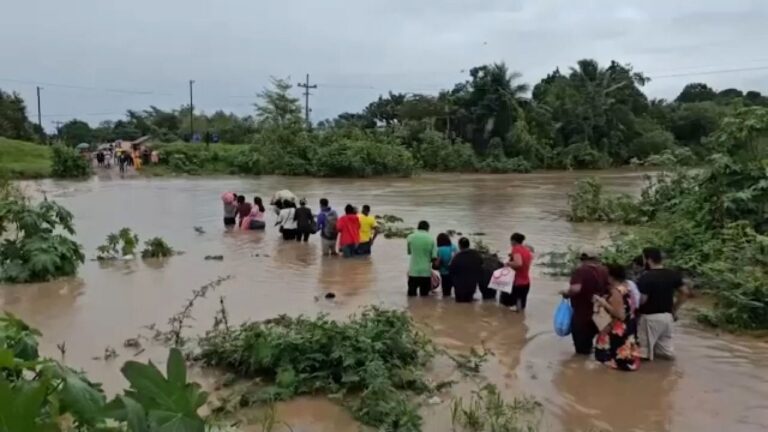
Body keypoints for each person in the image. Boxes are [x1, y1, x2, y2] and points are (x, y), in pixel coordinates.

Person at [636, 247, 689, 361]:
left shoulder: (646, 277)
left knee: (643, 355)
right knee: (666, 355)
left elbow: (642, 300)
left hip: (650, 319)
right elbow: (685, 293)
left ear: (648, 260)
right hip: (667, 318)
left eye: (644, 258)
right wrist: (674, 309)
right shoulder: (673, 274)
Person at [561, 249, 610, 355]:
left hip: (582, 313)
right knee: (597, 343)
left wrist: (565, 293)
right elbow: (609, 289)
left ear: (583, 259)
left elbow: (576, 289)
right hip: (599, 314)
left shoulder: (580, 271)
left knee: (581, 349)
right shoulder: (604, 270)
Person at [594, 264, 641, 371]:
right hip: (629, 326)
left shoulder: (616, 291)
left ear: (611, 277)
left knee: (613, 362)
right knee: (626, 362)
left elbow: (620, 315)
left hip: (618, 329)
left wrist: (604, 303)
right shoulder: (627, 287)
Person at [502, 233, 534, 312]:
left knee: (508, 308)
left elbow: (518, 263)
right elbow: (526, 262)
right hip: (526, 282)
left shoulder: (516, 249)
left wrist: (507, 264)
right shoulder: (526, 250)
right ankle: (520, 323)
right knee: (520, 309)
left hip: (517, 283)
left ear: (513, 241)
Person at [406, 221, 438, 297]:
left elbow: (409, 252)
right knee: (424, 296)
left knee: (411, 297)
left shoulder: (410, 237)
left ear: (418, 227)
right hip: (425, 272)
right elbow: (434, 257)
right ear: (428, 228)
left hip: (413, 271)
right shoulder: (431, 239)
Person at [449, 237, 484, 302]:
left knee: (459, 305)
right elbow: (481, 264)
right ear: (469, 244)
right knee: (469, 303)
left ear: (459, 246)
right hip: (471, 285)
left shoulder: (456, 257)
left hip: (459, 287)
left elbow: (451, 271)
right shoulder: (476, 254)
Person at [436, 233, 457, 297]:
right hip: (455, 273)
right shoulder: (454, 247)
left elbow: (438, 263)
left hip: (444, 274)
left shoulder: (440, 249)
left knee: (446, 294)